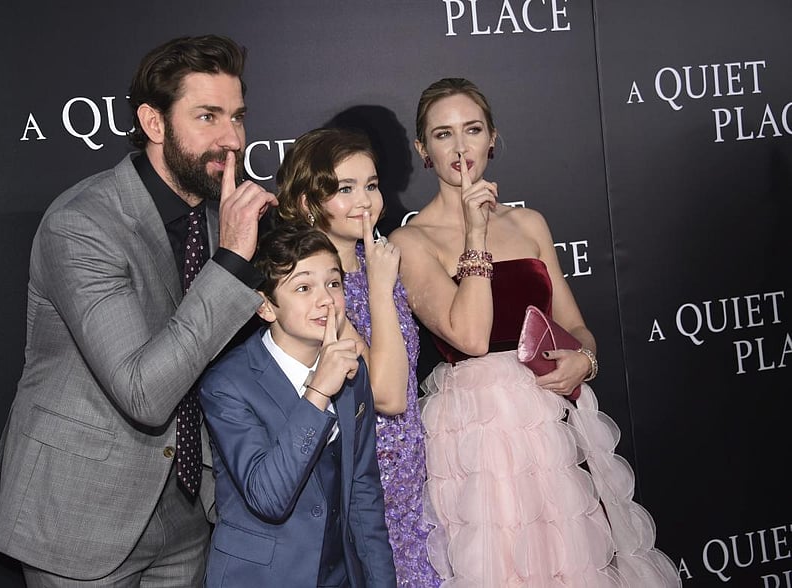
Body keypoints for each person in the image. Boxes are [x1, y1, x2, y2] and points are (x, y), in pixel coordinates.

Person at [0, 35, 277, 587]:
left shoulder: (222, 216)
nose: (232, 139)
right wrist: (232, 260)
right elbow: (143, 391)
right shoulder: (83, 224)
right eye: (208, 117)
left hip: (192, 509)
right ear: (153, 122)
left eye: (237, 116)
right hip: (83, 515)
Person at [389, 78, 681, 586]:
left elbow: (576, 326)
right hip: (480, 432)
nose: (460, 148)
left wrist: (585, 360)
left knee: (575, 560)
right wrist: (475, 231)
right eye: (443, 134)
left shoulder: (530, 224)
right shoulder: (411, 240)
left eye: (472, 130)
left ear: (492, 139)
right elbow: (470, 338)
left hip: (551, 419)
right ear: (423, 150)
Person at [273, 128, 440, 586]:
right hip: (364, 478)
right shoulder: (318, 288)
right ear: (308, 203)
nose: (365, 200)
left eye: (371, 184)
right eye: (345, 189)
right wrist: (380, 289)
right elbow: (387, 395)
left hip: (412, 476)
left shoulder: (376, 265)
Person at [198, 224, 396, 587]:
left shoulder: (352, 369)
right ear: (265, 306)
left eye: (333, 283)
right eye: (304, 288)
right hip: (262, 576)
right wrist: (319, 392)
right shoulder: (227, 384)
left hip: (338, 575)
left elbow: (363, 491)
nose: (326, 300)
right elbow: (268, 497)